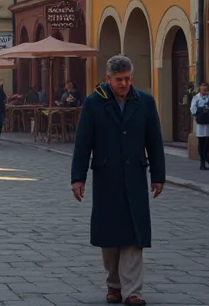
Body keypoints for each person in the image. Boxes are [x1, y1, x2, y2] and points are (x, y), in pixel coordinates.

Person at [70, 55, 165, 306]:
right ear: (108, 79)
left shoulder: (144, 102)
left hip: (135, 174)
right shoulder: (94, 104)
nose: (124, 84)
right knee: (110, 233)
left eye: (127, 79)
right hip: (107, 175)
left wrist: (158, 176)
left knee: (135, 233)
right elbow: (83, 143)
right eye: (119, 80)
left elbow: (154, 141)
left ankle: (132, 290)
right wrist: (77, 178)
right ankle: (114, 285)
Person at [189, 83, 209, 171]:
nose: (204, 90)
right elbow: (192, 109)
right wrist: (201, 109)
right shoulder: (196, 97)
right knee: (202, 143)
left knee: (208, 143)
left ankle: (208, 161)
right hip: (201, 125)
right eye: (203, 88)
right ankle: (202, 162)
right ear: (200, 89)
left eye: (206, 89)